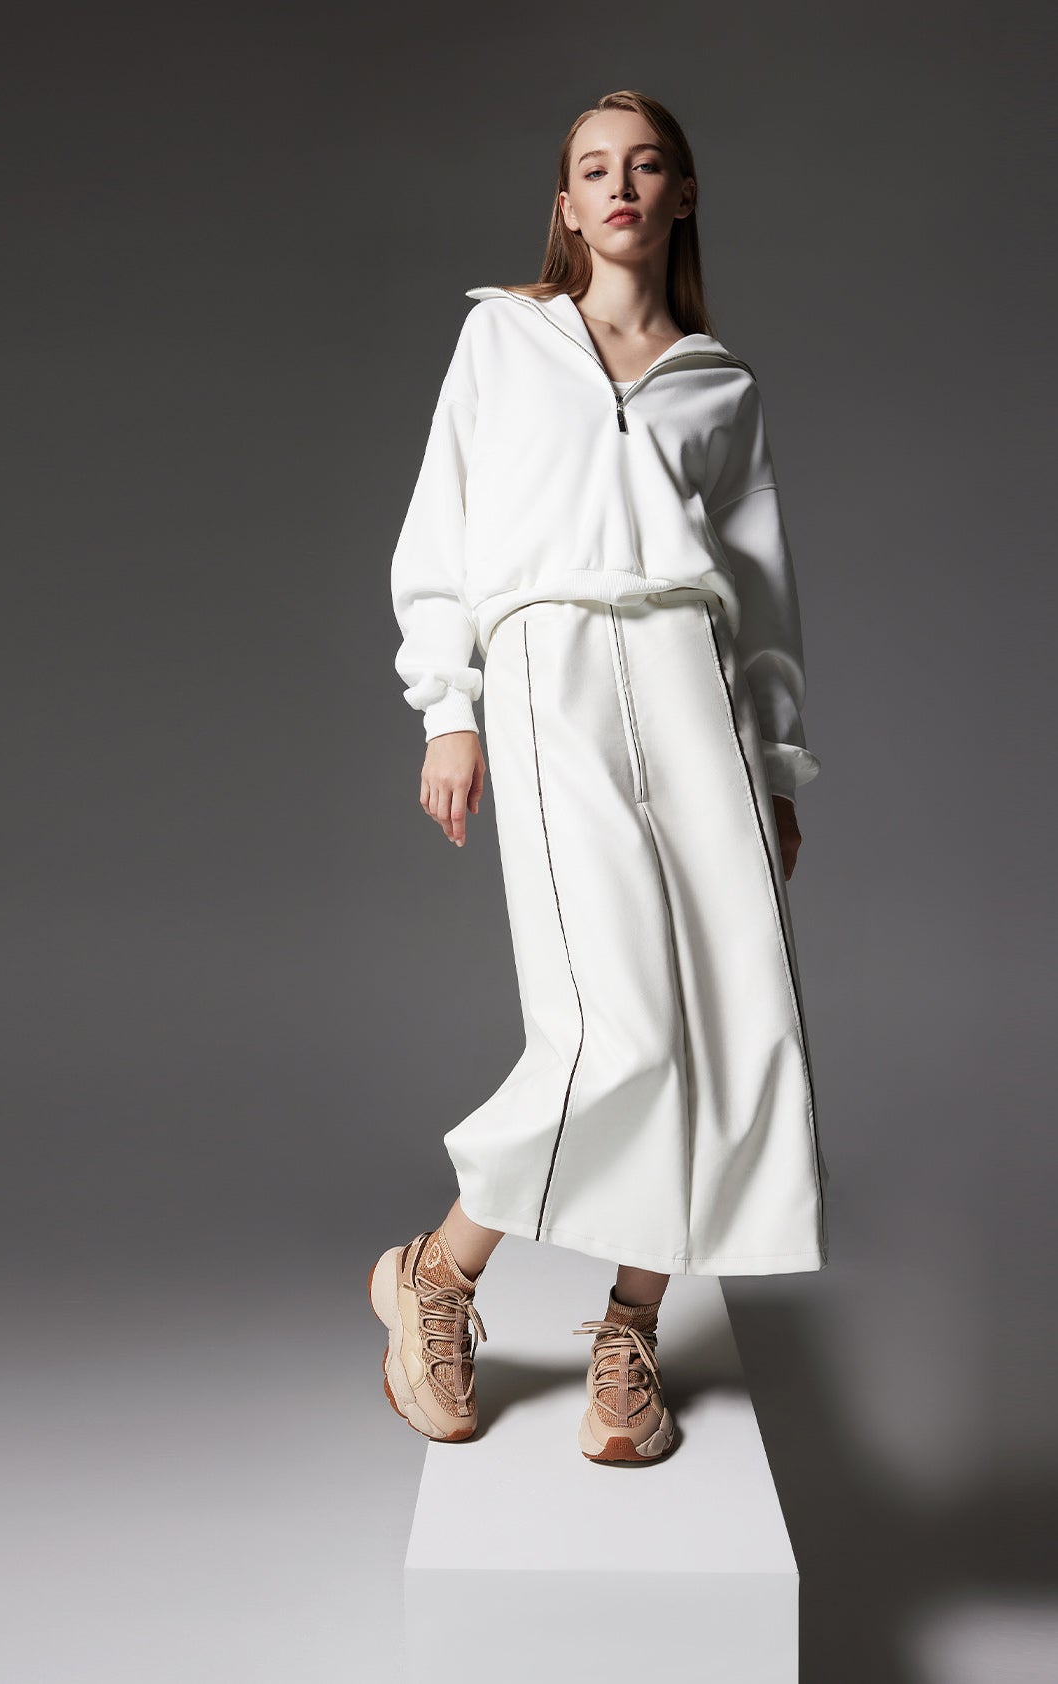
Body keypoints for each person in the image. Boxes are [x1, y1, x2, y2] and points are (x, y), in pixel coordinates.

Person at [368, 89, 828, 1467]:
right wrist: (447, 708)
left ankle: (630, 1334)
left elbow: (760, 589)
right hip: (549, 666)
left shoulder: (719, 385)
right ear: (565, 206)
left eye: (646, 165)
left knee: (737, 1029)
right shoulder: (503, 338)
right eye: (593, 168)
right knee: (612, 1029)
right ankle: (436, 1274)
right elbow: (441, 525)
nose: (620, 185)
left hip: (697, 685)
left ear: (682, 194)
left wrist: (777, 759)